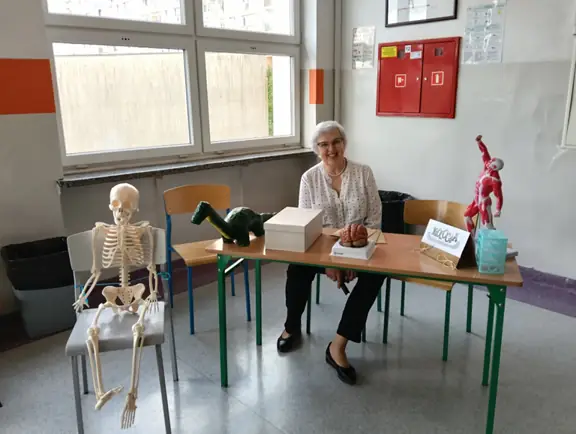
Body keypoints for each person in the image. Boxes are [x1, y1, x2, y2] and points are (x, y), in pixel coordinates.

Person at [276, 120, 385, 385]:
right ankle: (291, 327)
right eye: (323, 144)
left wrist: (351, 257)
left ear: (344, 144)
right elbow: (308, 226)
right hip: (321, 250)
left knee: (375, 276)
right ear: (316, 149)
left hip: (359, 247)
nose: (331, 149)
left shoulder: (363, 173)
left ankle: (338, 345)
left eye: (336, 142)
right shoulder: (309, 178)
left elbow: (374, 222)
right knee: (297, 268)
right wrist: (330, 262)